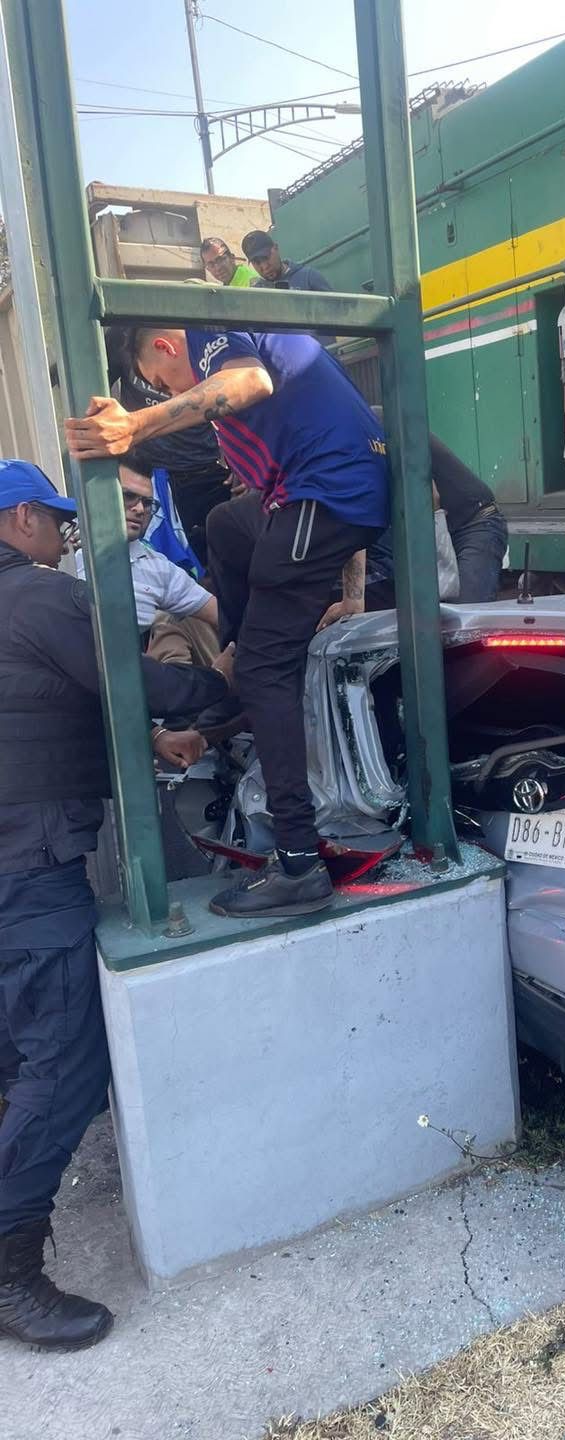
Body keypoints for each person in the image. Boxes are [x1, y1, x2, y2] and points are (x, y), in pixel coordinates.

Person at [0, 460, 228, 1351]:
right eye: (56, 518)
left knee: (18, 1053)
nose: (65, 534)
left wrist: (146, 740)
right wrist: (240, 686)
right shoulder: (39, 596)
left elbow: (35, 701)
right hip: (28, 865)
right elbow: (128, 679)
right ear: (19, 518)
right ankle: (9, 1272)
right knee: (61, 1063)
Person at [65, 326, 390, 920]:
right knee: (224, 523)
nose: (169, 388)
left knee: (269, 671)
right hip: (323, 498)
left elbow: (247, 381)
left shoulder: (211, 332)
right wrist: (351, 597)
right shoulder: (274, 365)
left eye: (162, 379)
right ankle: (240, 654)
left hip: (319, 501)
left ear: (166, 345)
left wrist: (135, 424)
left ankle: (297, 861)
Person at [322, 413, 507, 620]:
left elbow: (428, 496)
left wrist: (353, 601)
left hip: (472, 523)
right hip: (422, 522)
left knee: (458, 623)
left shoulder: (377, 427)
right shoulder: (348, 429)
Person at [74, 453, 219, 669]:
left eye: (148, 502)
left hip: (126, 682)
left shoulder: (156, 566)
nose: (140, 509)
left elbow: (218, 614)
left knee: (176, 620)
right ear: (98, 494)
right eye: (128, 496)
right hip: (66, 678)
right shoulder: (61, 551)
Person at [106, 327, 232, 568]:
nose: (173, 393)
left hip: (204, 471)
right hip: (145, 474)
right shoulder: (122, 336)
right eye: (160, 384)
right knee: (151, 560)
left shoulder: (200, 335)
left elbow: (237, 391)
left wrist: (243, 459)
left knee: (212, 559)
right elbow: (91, 396)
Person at [241, 230, 331, 291]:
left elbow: (337, 312)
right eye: (257, 262)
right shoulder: (258, 291)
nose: (265, 267)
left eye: (266, 257)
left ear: (276, 248)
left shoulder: (308, 277)